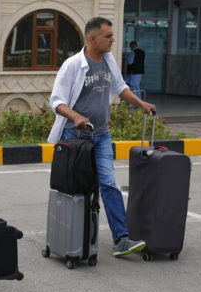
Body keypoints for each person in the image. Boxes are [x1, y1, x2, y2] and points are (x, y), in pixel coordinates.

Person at [48, 16, 154, 258]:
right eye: (108, 36)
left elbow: (120, 88)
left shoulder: (108, 60)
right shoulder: (73, 65)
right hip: (75, 136)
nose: (113, 40)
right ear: (92, 38)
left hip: (101, 135)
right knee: (75, 189)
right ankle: (70, 237)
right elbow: (57, 101)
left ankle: (121, 239)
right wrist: (75, 116)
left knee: (108, 183)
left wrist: (140, 103)